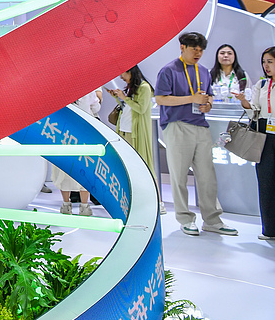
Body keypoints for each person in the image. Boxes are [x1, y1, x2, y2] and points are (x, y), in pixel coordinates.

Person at [157, 32, 237, 236]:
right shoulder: (168, 70)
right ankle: (185, 218)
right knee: (179, 176)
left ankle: (212, 219)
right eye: (194, 49)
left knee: (207, 176)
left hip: (201, 126)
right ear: (182, 47)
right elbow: (161, 99)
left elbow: (207, 96)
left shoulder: (204, 71)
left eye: (201, 50)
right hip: (177, 126)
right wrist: (190, 99)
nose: (198, 53)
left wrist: (207, 105)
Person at [107, 65, 162, 213]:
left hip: (136, 132)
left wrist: (124, 98)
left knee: (146, 165)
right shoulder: (132, 87)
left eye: (123, 74)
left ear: (130, 71)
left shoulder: (144, 87)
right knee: (129, 167)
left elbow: (141, 109)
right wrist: (119, 98)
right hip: (124, 130)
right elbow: (128, 108)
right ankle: (136, 199)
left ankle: (158, 201)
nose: (121, 78)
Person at [235, 47, 275, 240]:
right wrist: (245, 102)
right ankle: (269, 229)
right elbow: (256, 110)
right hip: (264, 137)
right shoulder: (261, 85)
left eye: (270, 62)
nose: (266, 66)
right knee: (266, 183)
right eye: (264, 62)